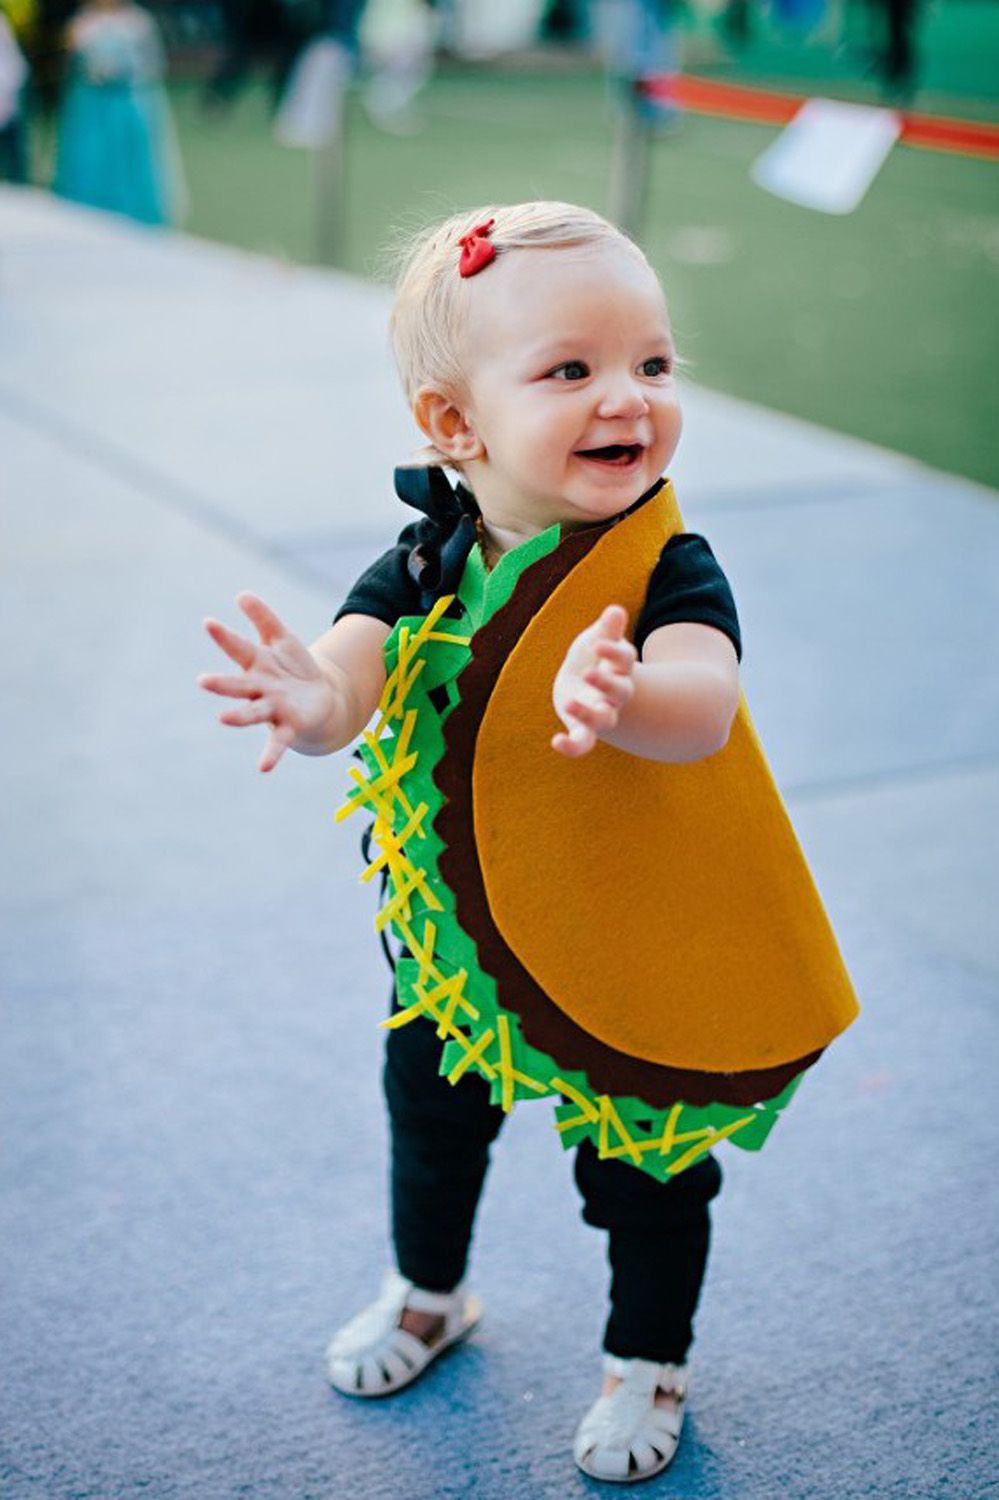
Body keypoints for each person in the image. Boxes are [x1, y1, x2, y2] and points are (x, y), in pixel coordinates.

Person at [198, 201, 856, 1484]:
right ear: (454, 425)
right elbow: (351, 680)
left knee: (644, 1162)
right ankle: (430, 1292)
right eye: (574, 370)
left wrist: (630, 699)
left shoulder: (668, 567)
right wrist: (308, 700)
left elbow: (704, 702)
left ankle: (646, 1359)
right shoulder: (426, 558)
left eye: (653, 364)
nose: (632, 398)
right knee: (430, 1112)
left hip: (627, 929)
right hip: (460, 941)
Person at [53, 0, 182, 226]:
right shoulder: (82, 24)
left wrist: (123, 73)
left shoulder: (137, 22)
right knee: (90, 158)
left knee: (128, 161)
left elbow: (152, 64)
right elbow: (70, 67)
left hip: (126, 104)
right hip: (92, 107)